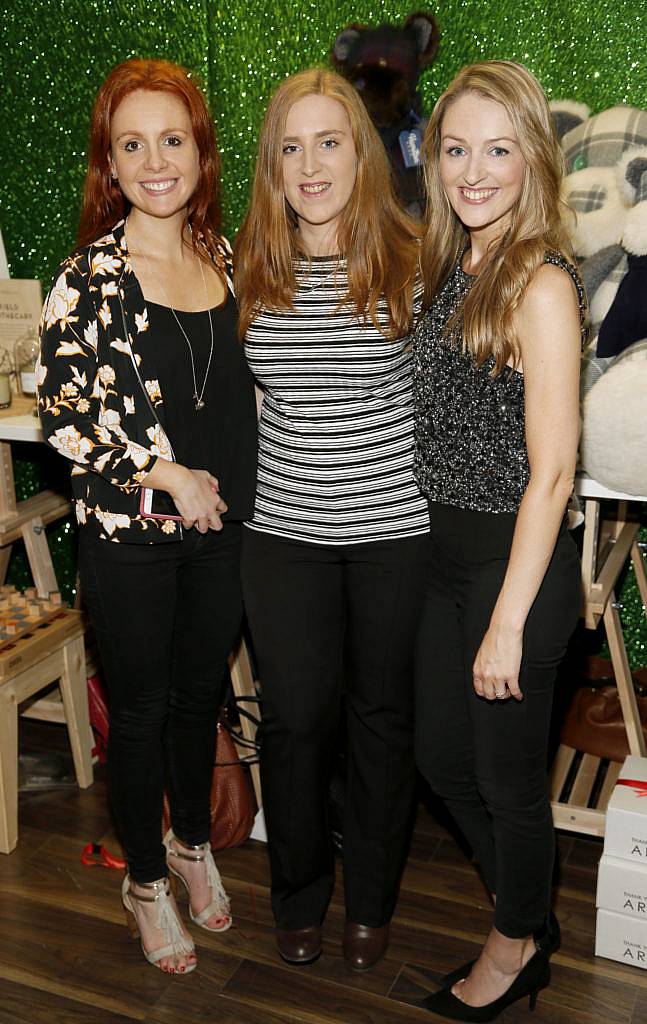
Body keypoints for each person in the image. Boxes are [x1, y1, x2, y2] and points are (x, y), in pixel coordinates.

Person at [37, 58, 257, 975]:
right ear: (111, 163)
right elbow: (61, 415)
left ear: (201, 153)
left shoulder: (224, 257)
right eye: (133, 144)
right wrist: (167, 473)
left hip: (226, 532)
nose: (155, 160)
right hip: (133, 537)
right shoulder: (88, 274)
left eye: (172, 140)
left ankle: (190, 844)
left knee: (194, 701)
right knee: (137, 711)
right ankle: (143, 883)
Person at [235, 67, 430, 971]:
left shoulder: (415, 258)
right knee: (294, 721)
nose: (309, 165)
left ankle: (373, 903)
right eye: (290, 146)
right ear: (271, 166)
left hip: (392, 532)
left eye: (327, 142)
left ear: (360, 151)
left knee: (380, 721)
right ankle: (299, 893)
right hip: (283, 534)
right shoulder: (248, 269)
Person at [413, 60, 586, 1020]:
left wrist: (508, 622)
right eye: (454, 149)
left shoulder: (541, 282)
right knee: (441, 758)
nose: (472, 171)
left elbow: (552, 472)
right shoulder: (454, 264)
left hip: (510, 567)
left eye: (496, 150)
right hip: (444, 558)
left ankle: (516, 940)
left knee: (505, 781)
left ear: (531, 160)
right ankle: (526, 909)